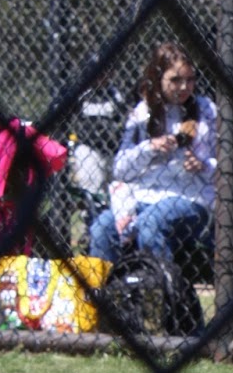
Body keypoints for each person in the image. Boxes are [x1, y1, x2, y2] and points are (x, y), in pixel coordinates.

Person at [88, 41, 217, 268]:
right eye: (176, 80)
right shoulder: (142, 112)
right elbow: (120, 169)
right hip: (142, 198)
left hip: (191, 200)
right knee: (101, 228)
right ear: (159, 79)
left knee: (151, 222)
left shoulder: (207, 110)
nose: (185, 86)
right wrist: (149, 148)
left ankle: (159, 294)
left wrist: (203, 165)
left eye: (190, 79)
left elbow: (229, 168)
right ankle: (105, 297)